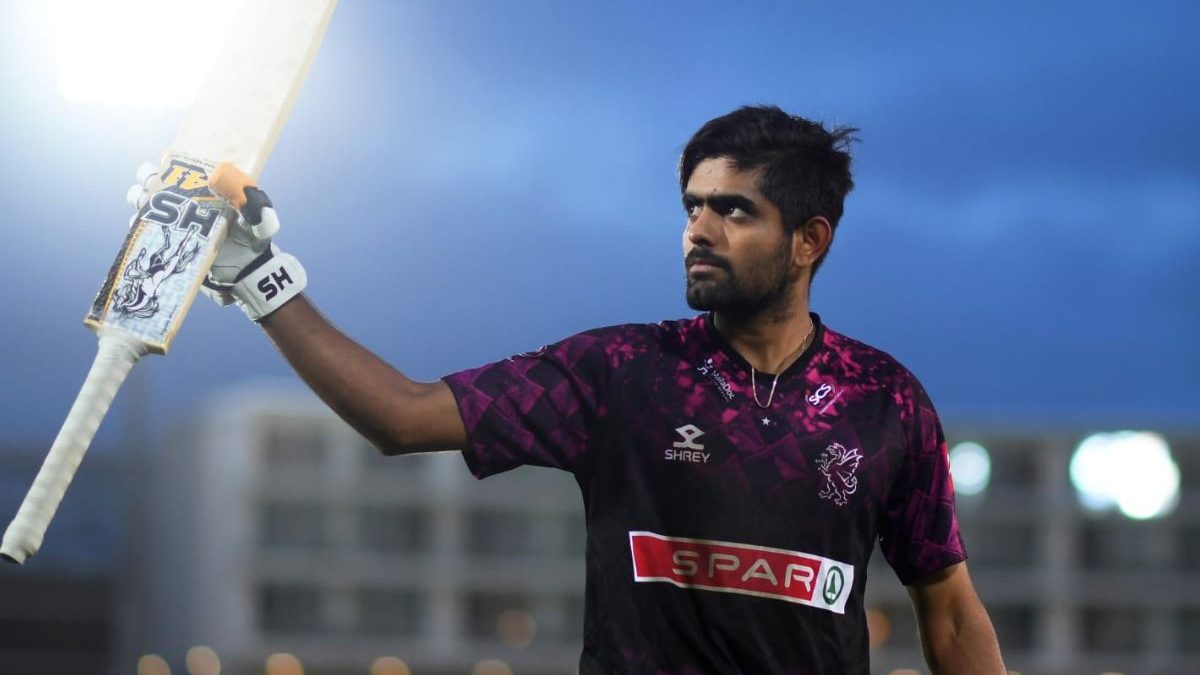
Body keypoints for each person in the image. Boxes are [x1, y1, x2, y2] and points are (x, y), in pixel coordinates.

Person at [156, 105, 1006, 673]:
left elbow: (953, 614)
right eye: (691, 206)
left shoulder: (885, 400)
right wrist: (261, 278)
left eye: (734, 211)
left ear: (808, 240)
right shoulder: (622, 373)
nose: (698, 231)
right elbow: (400, 416)